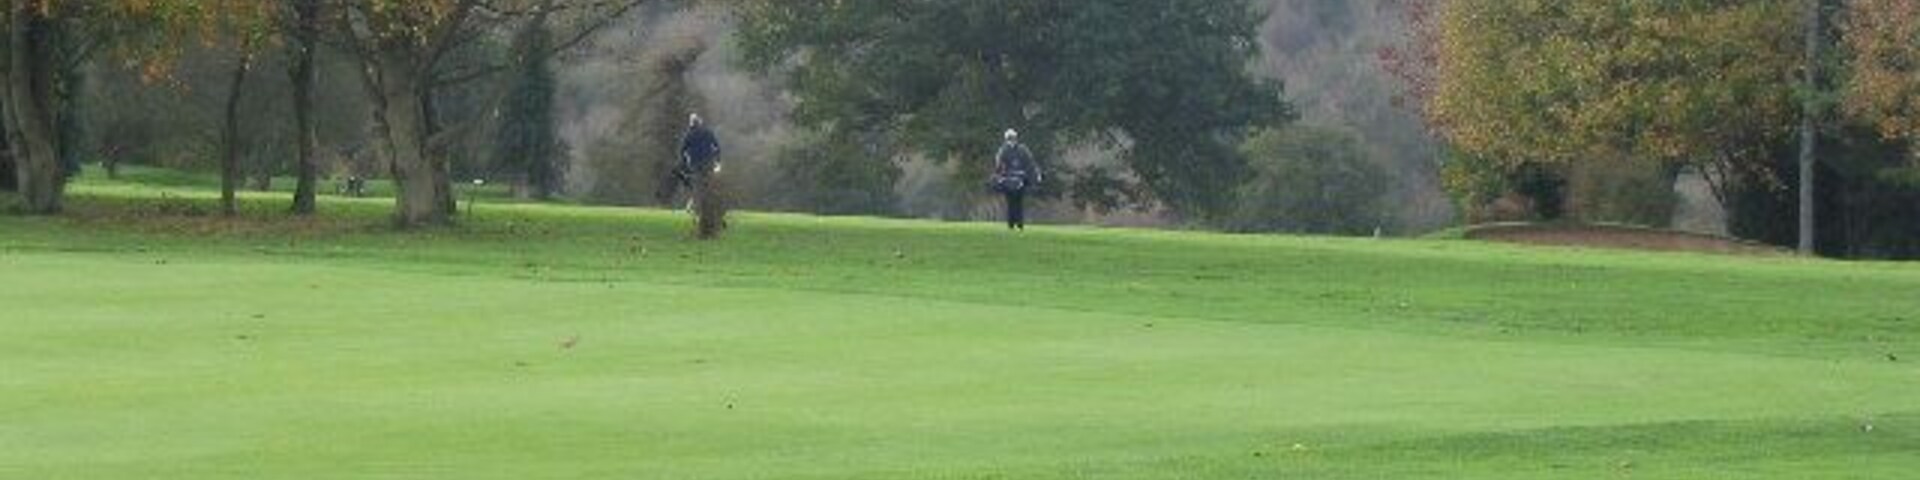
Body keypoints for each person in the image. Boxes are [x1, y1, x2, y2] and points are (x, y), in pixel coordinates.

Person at [992, 128, 1042, 230]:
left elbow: (1030, 164)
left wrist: (1035, 174)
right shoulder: (1004, 150)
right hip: (1009, 180)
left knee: (1017, 202)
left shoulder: (1021, 149)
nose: (1011, 140)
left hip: (1019, 180)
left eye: (1012, 138)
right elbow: (999, 166)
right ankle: (1013, 224)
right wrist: (999, 176)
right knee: (1012, 202)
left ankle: (1018, 224)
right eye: (1010, 138)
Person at [676, 113, 723, 210]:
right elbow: (717, 147)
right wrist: (718, 162)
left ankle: (692, 204)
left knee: (696, 185)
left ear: (692, 123)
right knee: (708, 185)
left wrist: (685, 163)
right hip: (708, 163)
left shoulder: (689, 134)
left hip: (695, 164)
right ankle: (708, 205)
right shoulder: (708, 132)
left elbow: (682, 150)